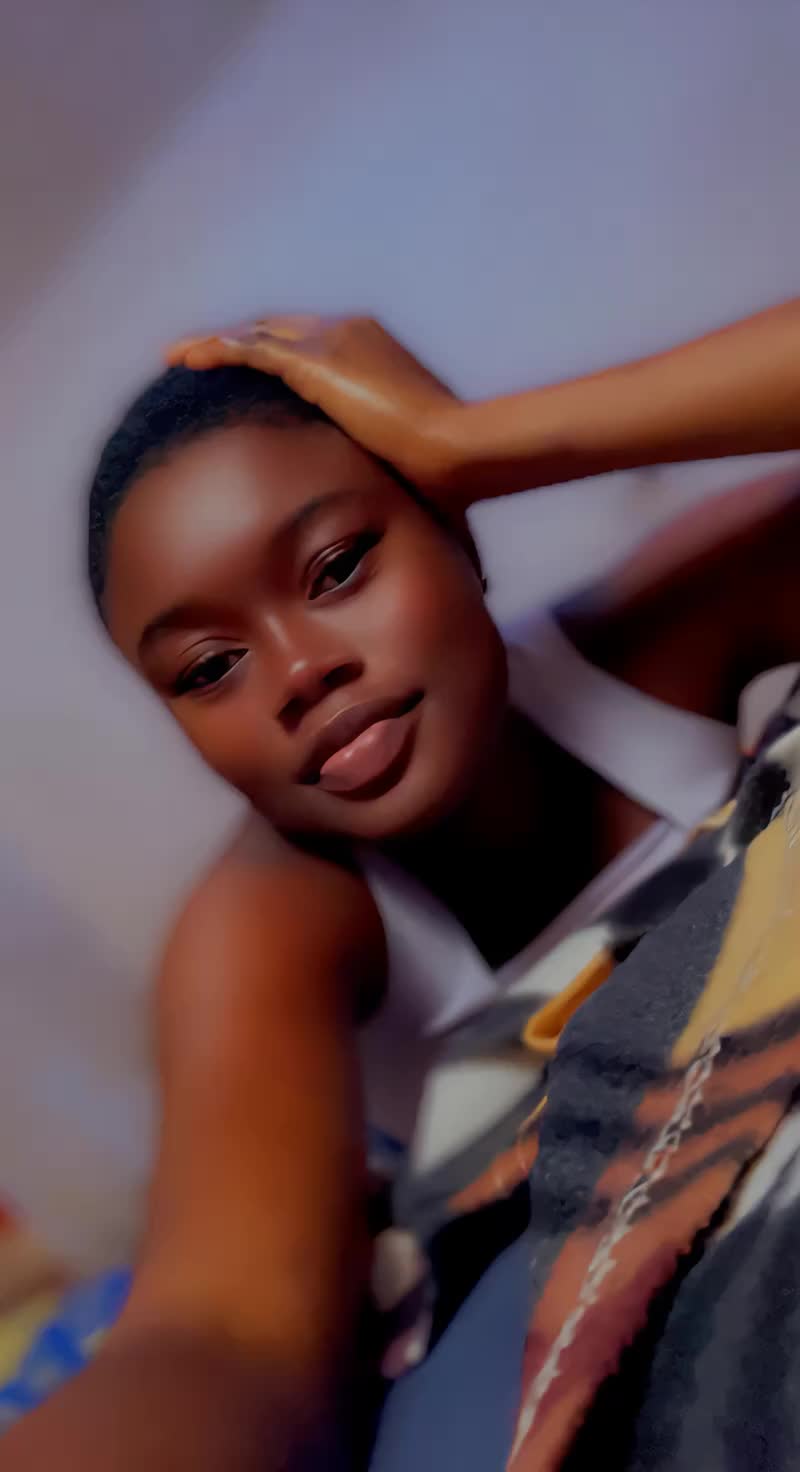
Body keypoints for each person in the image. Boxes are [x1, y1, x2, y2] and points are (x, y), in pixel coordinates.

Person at [5, 296, 800, 1470]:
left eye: (336, 566)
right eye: (208, 667)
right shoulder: (268, 919)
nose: (297, 670)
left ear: (455, 527)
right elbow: (219, 1331)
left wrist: (479, 439)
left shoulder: (655, 639)